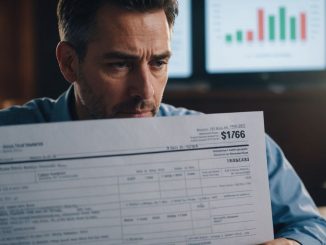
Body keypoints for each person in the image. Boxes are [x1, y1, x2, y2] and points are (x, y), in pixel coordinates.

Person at [0, 0, 325, 244]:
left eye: (158, 63)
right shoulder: (8, 137)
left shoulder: (237, 147)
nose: (145, 90)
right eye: (118, 65)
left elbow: (311, 227)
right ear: (70, 63)